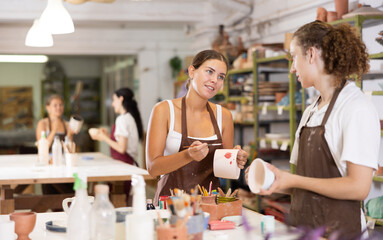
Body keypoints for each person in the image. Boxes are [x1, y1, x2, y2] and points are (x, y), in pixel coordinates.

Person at [246, 21, 380, 238]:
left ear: (310, 54)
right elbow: (305, 182)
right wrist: (273, 181)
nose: (292, 68)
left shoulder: (356, 108)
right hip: (306, 230)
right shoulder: (311, 111)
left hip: (341, 233)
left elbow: (359, 187)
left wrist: (293, 180)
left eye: (293, 57)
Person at [146, 49, 249, 205]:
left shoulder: (224, 116)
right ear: (192, 71)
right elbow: (153, 168)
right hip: (170, 205)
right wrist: (188, 155)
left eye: (221, 77)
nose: (215, 80)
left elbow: (225, 170)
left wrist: (236, 159)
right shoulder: (164, 111)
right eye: (209, 72)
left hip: (210, 205)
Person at [90, 87, 143, 205]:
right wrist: (108, 136)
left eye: (114, 100)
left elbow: (121, 148)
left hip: (124, 167)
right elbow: (121, 142)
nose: (113, 104)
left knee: (119, 205)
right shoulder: (129, 117)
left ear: (121, 99)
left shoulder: (122, 119)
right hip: (127, 166)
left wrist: (103, 138)